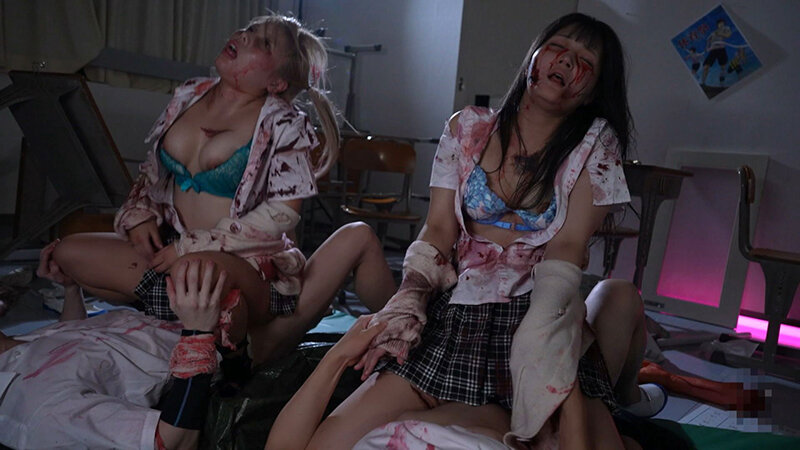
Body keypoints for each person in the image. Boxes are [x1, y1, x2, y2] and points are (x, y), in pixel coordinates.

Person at [295, 13, 659, 449]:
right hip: (455, 313)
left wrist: (540, 332)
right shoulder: (466, 127)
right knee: (328, 443)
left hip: (539, 316)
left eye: (585, 60)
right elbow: (438, 227)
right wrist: (409, 297)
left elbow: (568, 245)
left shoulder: (597, 145)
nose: (566, 60)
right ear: (534, 56)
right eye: (559, 46)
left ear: (594, 91)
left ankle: (627, 398)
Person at [44, 14, 366, 363]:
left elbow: (282, 214)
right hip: (173, 250)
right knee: (67, 251)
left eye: (264, 42)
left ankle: (236, 335)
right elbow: (152, 175)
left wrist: (191, 246)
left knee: (195, 270)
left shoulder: (284, 123)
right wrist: (140, 214)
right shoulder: (189, 94)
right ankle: (184, 311)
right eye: (249, 29)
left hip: (242, 262)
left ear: (275, 82)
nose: (245, 36)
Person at [0, 220, 396, 449]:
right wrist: (198, 332)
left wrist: (71, 290)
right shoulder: (35, 406)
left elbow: (72, 337)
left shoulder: (19, 349)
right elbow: (171, 442)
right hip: (238, 349)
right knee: (358, 238)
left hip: (183, 315)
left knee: (71, 252)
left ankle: (401, 320)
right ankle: (408, 334)